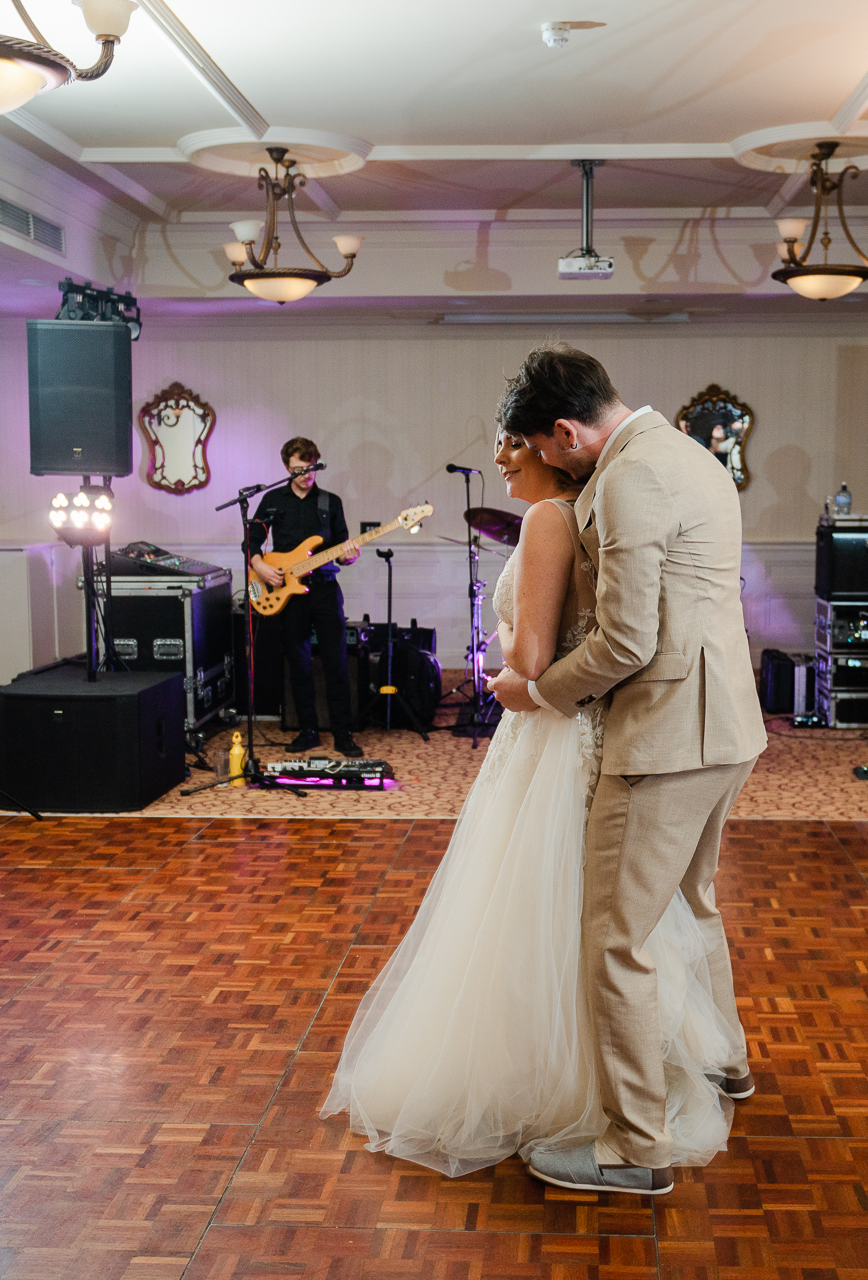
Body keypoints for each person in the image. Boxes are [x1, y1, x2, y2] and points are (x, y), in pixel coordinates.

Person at [319, 422, 742, 1179]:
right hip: (648, 728)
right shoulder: (597, 508)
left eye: (513, 446)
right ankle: (707, 1059)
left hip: (554, 733)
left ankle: (599, 1112)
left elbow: (535, 656)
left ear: (553, 446)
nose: (500, 461)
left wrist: (504, 642)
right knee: (659, 905)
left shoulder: (551, 520)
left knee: (561, 914)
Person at [488, 343, 767, 1197]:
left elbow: (625, 642)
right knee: (693, 902)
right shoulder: (688, 451)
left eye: (542, 448)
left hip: (666, 740)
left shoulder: (630, 476)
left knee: (615, 940)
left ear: (566, 432)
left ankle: (636, 1148)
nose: (542, 463)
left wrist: (536, 693)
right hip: (726, 727)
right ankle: (726, 1066)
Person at [246, 437, 363, 759]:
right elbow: (252, 538)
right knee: (298, 663)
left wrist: (349, 556)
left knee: (336, 663)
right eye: (298, 469)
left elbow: (342, 548)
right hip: (286, 593)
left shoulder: (330, 502)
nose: (305, 475)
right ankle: (307, 730)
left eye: (310, 469)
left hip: (324, 588)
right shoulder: (271, 500)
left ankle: (343, 734)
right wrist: (259, 565)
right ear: (287, 467)